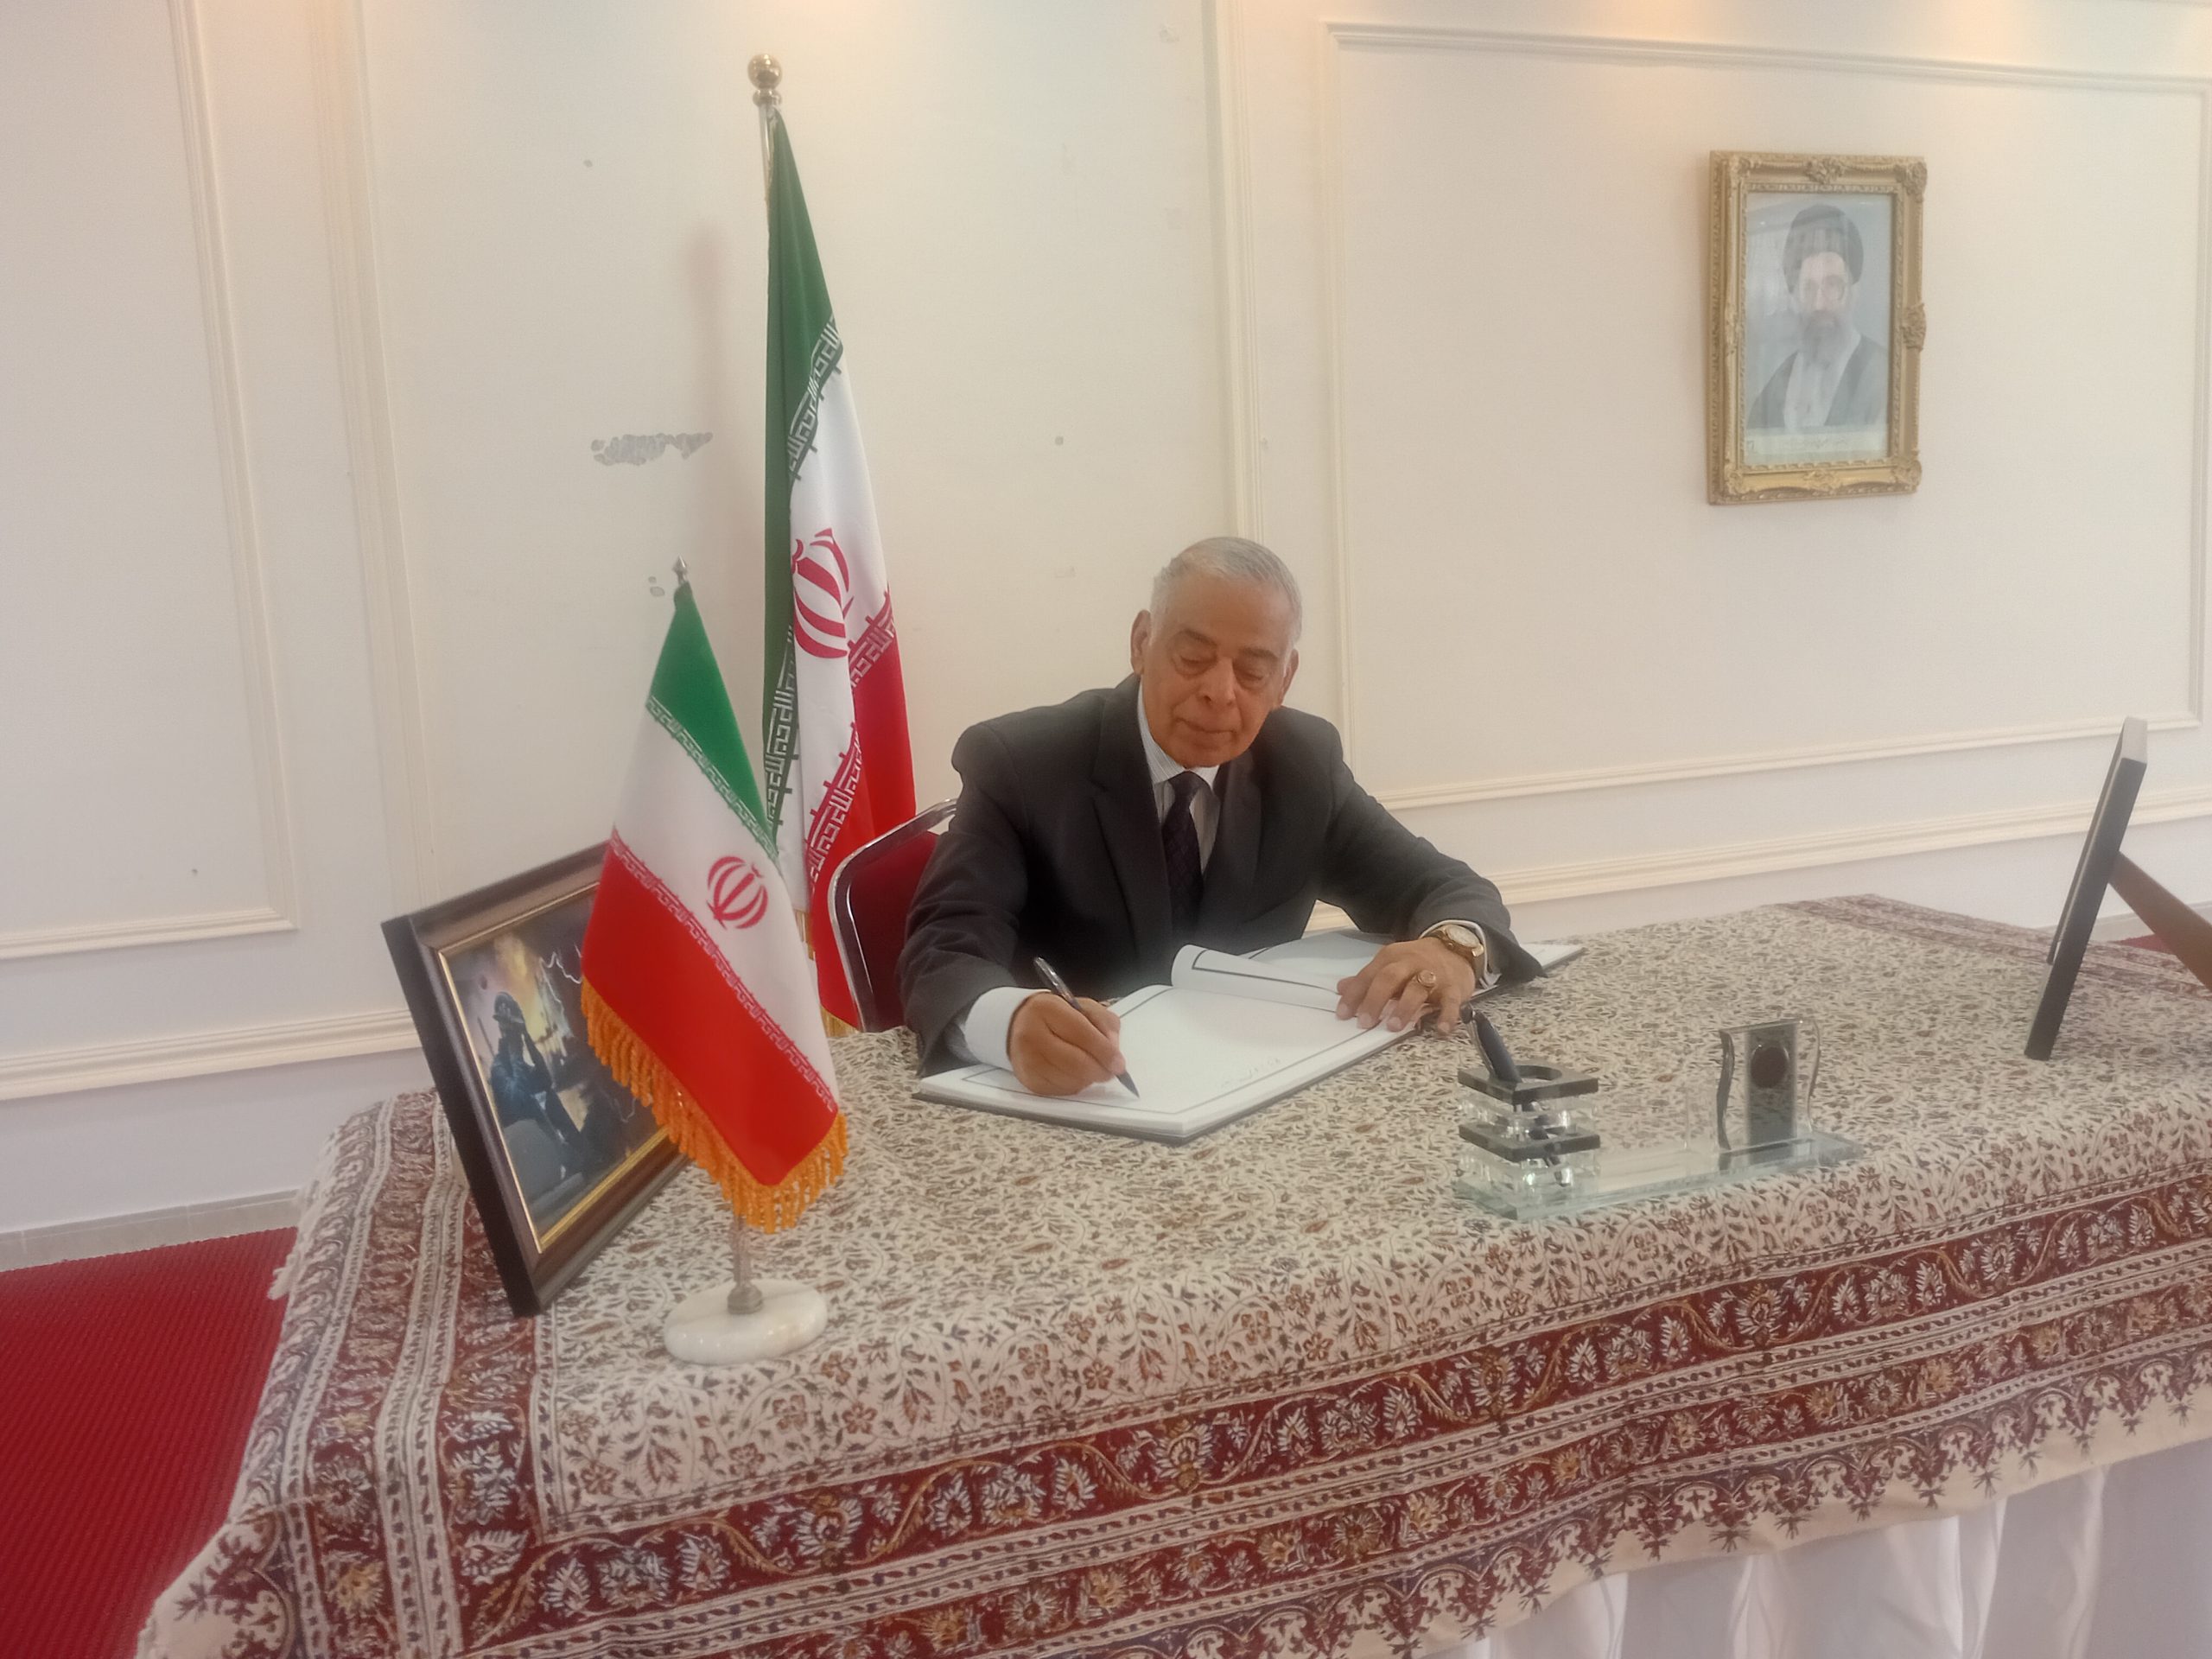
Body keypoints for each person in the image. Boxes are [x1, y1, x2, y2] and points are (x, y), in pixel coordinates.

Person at [899, 537, 1538, 1096]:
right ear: (1141, 643)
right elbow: (943, 949)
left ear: (1285, 678)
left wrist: (1452, 948)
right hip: (1081, 1098)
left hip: (1251, 1088)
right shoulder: (1024, 762)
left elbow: (1443, 886)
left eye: (1253, 670)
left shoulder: (1302, 763)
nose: (1219, 692)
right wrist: (1008, 1024)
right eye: (1193, 657)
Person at [1746, 202, 1888, 435]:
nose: (1819, 304)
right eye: (1809, 288)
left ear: (1854, 293)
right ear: (1795, 297)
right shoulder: (1776, 387)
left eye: (1832, 285)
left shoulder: (1881, 377)